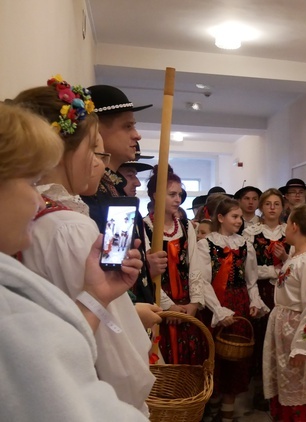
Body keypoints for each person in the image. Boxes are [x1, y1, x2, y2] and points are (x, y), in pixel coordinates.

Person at [13, 77, 155, 415]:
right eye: (92, 149)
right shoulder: (70, 228)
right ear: (61, 149)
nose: (98, 162)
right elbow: (117, 359)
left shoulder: (44, 220)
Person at [191, 197, 268, 422]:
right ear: (221, 218)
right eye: (234, 217)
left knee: (236, 359)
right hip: (217, 304)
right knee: (215, 359)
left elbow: (251, 281)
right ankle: (212, 409)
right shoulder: (206, 245)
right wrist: (218, 310)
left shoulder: (245, 245)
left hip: (239, 304)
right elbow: (203, 281)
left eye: (240, 217)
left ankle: (227, 414)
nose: (239, 221)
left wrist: (254, 301)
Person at [81, 84, 158, 305]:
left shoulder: (111, 188)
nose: (137, 135)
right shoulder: (91, 194)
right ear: (96, 130)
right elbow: (106, 273)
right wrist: (132, 311)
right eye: (127, 126)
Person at [263, 204, 306, 421]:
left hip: (296, 334)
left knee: (298, 387)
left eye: (288, 222)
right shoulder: (295, 256)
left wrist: (302, 346)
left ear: (294, 226)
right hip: (284, 329)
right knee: (283, 383)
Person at [142, 165, 208, 366]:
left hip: (186, 302)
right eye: (172, 194)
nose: (178, 199)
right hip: (159, 303)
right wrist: (168, 305)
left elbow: (196, 265)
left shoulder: (187, 226)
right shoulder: (144, 226)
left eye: (179, 194)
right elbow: (147, 273)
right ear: (155, 195)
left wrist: (194, 303)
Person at [242, 188, 290, 410]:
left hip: (285, 292)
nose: (272, 208)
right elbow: (249, 270)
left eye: (276, 204)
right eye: (268, 204)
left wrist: (284, 259)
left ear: (282, 207)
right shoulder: (250, 233)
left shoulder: (289, 232)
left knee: (283, 339)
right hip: (260, 293)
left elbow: (296, 264)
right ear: (261, 207)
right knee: (261, 338)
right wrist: (275, 269)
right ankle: (260, 390)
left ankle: (281, 391)